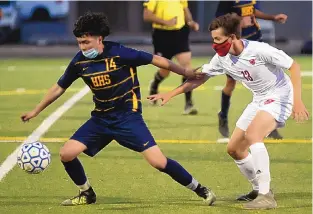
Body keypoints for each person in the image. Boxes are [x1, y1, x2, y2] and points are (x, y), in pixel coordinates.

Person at [20, 12, 216, 206]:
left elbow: (156, 60)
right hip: (100, 119)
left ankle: (200, 189)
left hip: (127, 118)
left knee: (158, 162)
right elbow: (59, 87)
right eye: (80, 43)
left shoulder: (120, 53)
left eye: (86, 42)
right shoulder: (80, 62)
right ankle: (87, 193)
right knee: (67, 154)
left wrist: (186, 72)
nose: (83, 47)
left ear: (100, 39)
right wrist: (36, 110)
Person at [148, 13, 309, 209]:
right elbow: (200, 78)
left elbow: (294, 66)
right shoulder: (221, 58)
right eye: (213, 39)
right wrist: (170, 94)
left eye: (218, 39)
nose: (214, 44)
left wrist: (298, 102)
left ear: (232, 37)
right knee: (234, 149)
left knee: (253, 136)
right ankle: (259, 188)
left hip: (280, 96)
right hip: (259, 99)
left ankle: (266, 197)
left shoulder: (259, 50)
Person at [215, 0, 288, 139]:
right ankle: (223, 116)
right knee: (231, 83)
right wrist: (236, 22)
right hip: (236, 43)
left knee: (266, 81)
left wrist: (273, 17)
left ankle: (268, 124)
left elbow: (253, 11)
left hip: (254, 39)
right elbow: (218, 19)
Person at [143, 0, 200, 115]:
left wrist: (191, 22)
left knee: (187, 67)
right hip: (162, 35)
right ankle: (155, 84)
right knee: (165, 71)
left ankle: (188, 104)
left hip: (180, 33)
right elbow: (147, 15)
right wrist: (166, 22)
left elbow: (184, 8)